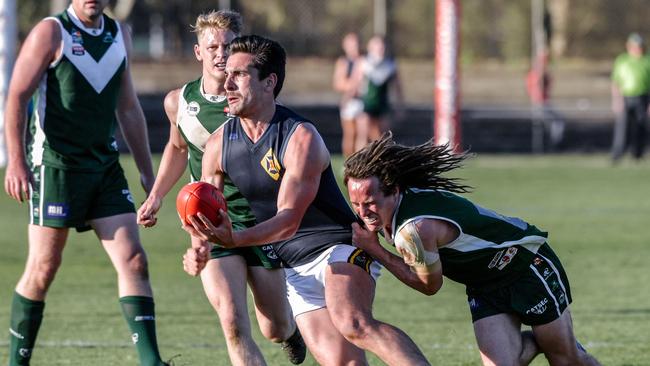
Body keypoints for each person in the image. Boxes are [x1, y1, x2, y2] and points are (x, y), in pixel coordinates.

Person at [182, 34, 430, 365]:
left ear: (269, 82)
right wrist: (199, 245)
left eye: (239, 75)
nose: (227, 83)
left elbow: (289, 220)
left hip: (338, 246)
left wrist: (235, 238)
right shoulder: (219, 144)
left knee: (354, 324)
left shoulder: (300, 137)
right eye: (227, 74)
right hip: (294, 266)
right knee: (345, 362)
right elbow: (208, 204)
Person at [136, 10, 305, 366]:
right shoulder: (179, 102)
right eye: (211, 46)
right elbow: (178, 148)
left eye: (228, 45)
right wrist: (156, 195)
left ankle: (291, 332)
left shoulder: (250, 99)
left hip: (261, 224)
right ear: (198, 52)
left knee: (274, 326)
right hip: (211, 221)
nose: (220, 53)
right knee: (231, 321)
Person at [343, 133, 602, 366]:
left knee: (566, 360)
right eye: (355, 203)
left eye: (370, 203)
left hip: (525, 266)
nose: (363, 213)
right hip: (485, 285)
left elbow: (428, 285)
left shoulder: (414, 230)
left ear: (394, 191)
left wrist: (375, 249)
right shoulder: (399, 205)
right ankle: (541, 340)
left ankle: (551, 343)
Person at [3, 0, 168, 365]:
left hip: (105, 167)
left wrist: (146, 170)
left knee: (135, 260)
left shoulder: (118, 34)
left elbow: (127, 107)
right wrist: (15, 161)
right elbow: (16, 97)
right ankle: (17, 361)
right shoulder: (51, 31)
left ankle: (151, 361)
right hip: (55, 166)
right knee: (44, 267)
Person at [351, 35, 404, 150]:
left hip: (382, 104)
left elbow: (397, 87)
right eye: (377, 46)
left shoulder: (390, 64)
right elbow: (355, 83)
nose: (381, 48)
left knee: (383, 137)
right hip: (366, 103)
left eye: (382, 46)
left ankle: (380, 163)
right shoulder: (363, 62)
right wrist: (349, 98)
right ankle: (358, 164)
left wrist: (400, 106)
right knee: (363, 134)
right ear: (370, 47)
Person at [610, 32, 650, 162]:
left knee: (641, 126)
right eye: (634, 46)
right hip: (625, 97)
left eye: (639, 46)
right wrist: (617, 100)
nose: (637, 49)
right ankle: (617, 153)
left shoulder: (647, 60)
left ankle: (637, 153)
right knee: (622, 127)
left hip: (643, 97)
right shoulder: (622, 60)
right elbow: (616, 82)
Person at [332, 32, 364, 157]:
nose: (354, 47)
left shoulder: (365, 60)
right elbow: (338, 83)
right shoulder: (343, 62)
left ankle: (362, 162)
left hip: (363, 101)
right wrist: (353, 85)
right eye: (350, 44)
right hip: (349, 101)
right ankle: (348, 161)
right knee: (350, 133)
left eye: (355, 44)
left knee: (363, 133)